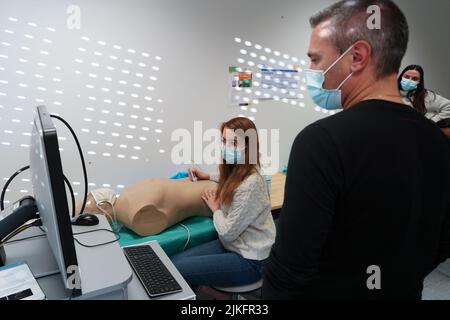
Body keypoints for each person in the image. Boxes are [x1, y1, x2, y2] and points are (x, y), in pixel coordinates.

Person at [263, 0, 450, 300]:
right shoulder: (438, 141)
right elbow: (443, 241)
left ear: (357, 57)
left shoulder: (320, 143)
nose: (311, 71)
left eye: (315, 59)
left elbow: (289, 271)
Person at [171, 117, 276, 293]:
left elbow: (227, 233)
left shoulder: (252, 183)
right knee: (173, 261)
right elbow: (230, 179)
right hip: (234, 245)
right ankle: (209, 289)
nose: (227, 147)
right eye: (224, 141)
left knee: (176, 269)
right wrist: (206, 175)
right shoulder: (238, 169)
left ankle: (215, 294)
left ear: (248, 147)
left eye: (234, 143)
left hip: (251, 261)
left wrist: (216, 209)